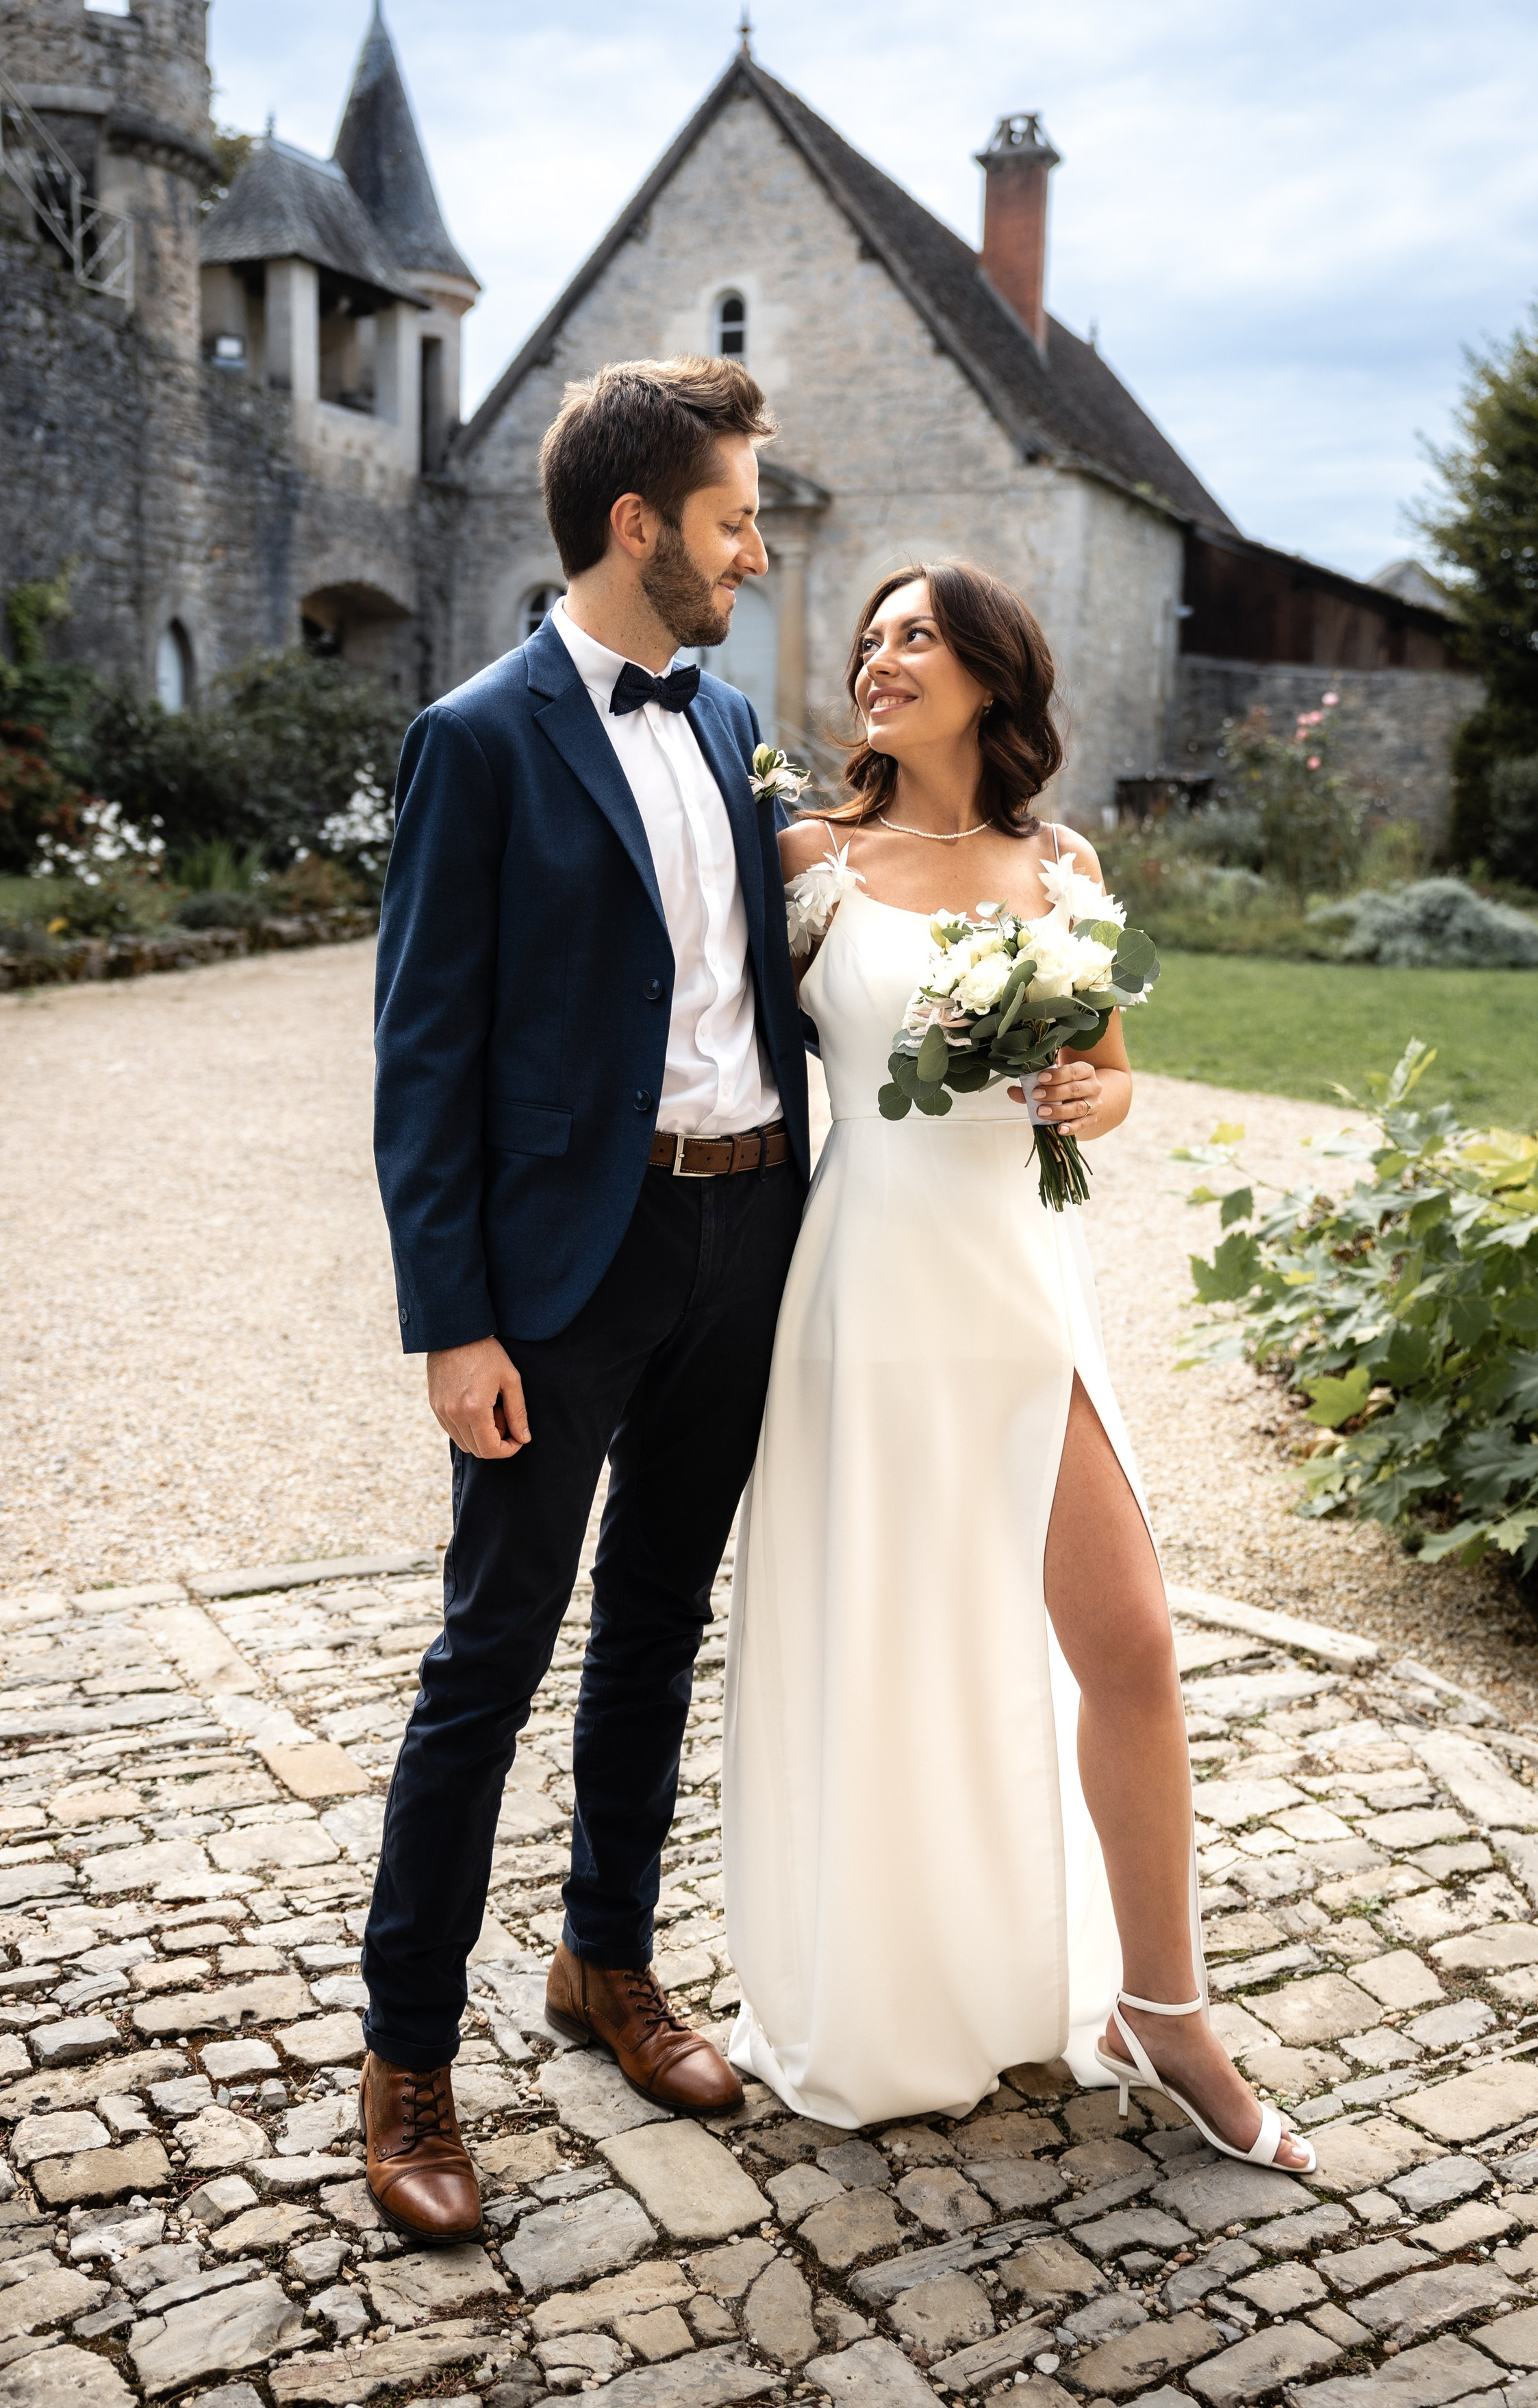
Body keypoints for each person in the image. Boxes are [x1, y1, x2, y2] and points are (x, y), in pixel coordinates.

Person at [721, 561, 1314, 2171]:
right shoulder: (806, 859)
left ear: (990, 674)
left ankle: (1162, 2008)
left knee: (1126, 1638)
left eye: (914, 635)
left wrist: (1080, 1100)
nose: (878, 658)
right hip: (866, 1285)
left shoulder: (1061, 865)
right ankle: (893, 1983)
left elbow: (1116, 1077)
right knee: (887, 1642)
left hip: (1022, 1279)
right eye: (870, 638)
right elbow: (720, 1059)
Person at [362, 356, 810, 2242]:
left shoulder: (730, 727)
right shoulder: (476, 739)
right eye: (732, 521)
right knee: (492, 1659)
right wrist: (454, 1321)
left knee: (656, 1626)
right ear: (640, 528)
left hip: (741, 1240)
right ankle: (406, 2067)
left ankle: (606, 1962)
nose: (756, 550)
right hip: (564, 1270)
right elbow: (423, 1057)